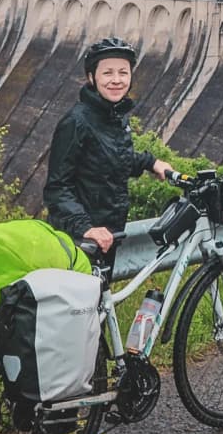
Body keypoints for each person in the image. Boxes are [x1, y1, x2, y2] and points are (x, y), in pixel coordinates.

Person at [45, 37, 175, 264]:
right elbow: (57, 189)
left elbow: (112, 160)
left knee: (100, 299)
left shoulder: (114, 117)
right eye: (107, 73)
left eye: (123, 73)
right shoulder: (76, 123)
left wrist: (150, 162)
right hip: (80, 241)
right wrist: (86, 228)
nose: (116, 80)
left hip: (108, 236)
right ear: (91, 78)